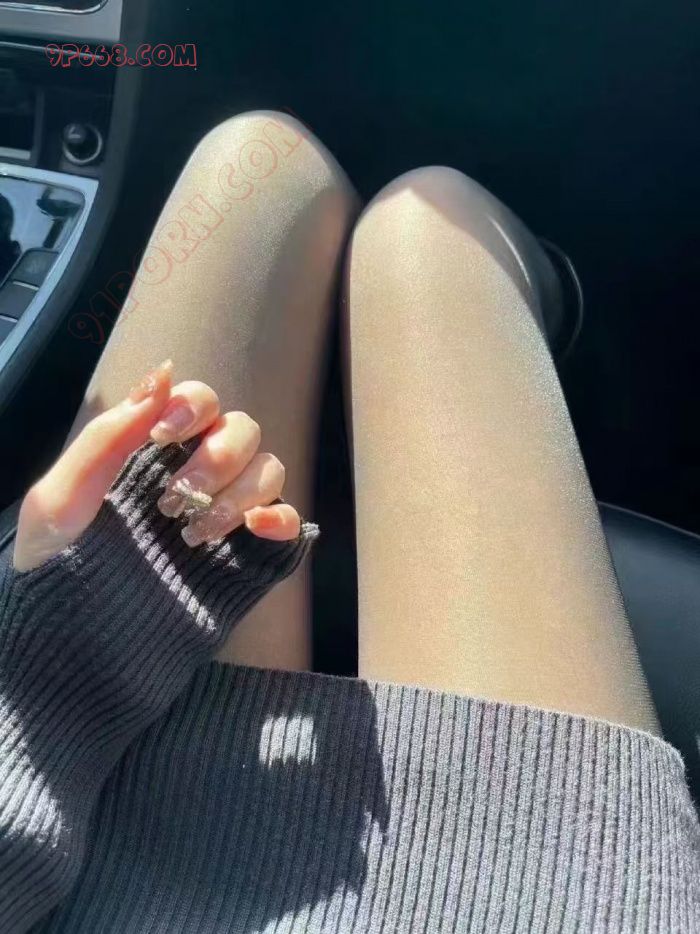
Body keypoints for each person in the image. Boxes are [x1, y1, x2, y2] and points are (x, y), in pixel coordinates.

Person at [0, 111, 697, 933]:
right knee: (426, 232)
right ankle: (554, 312)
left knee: (258, 161)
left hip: (90, 841)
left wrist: (48, 675)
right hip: (531, 889)